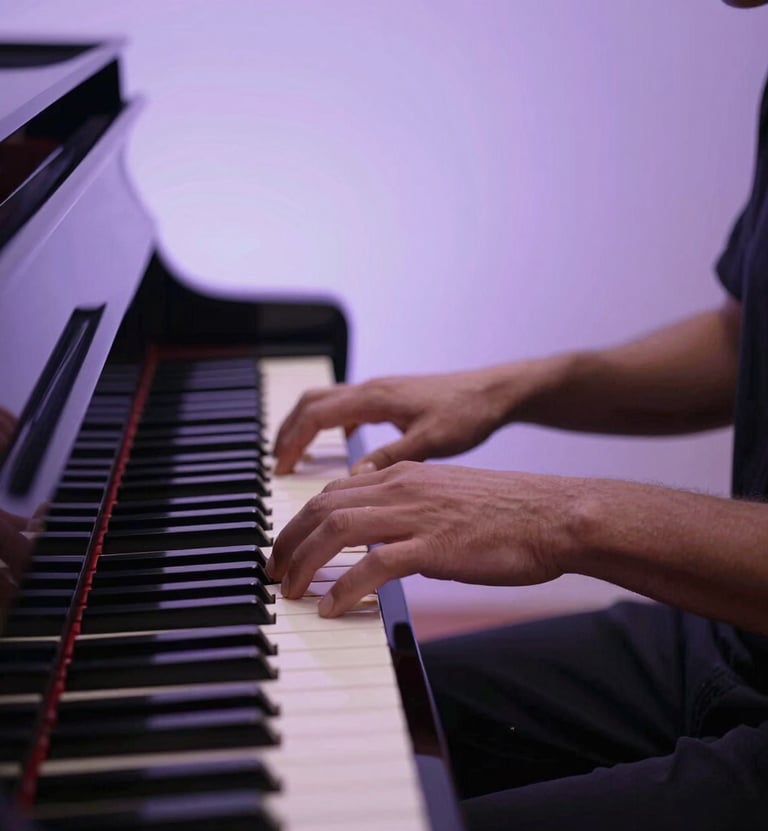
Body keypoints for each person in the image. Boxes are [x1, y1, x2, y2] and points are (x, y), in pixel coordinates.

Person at [268, 1, 768, 827]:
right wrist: (521, 384)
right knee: (320, 758)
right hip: (736, 636)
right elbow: (743, 335)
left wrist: (563, 517)